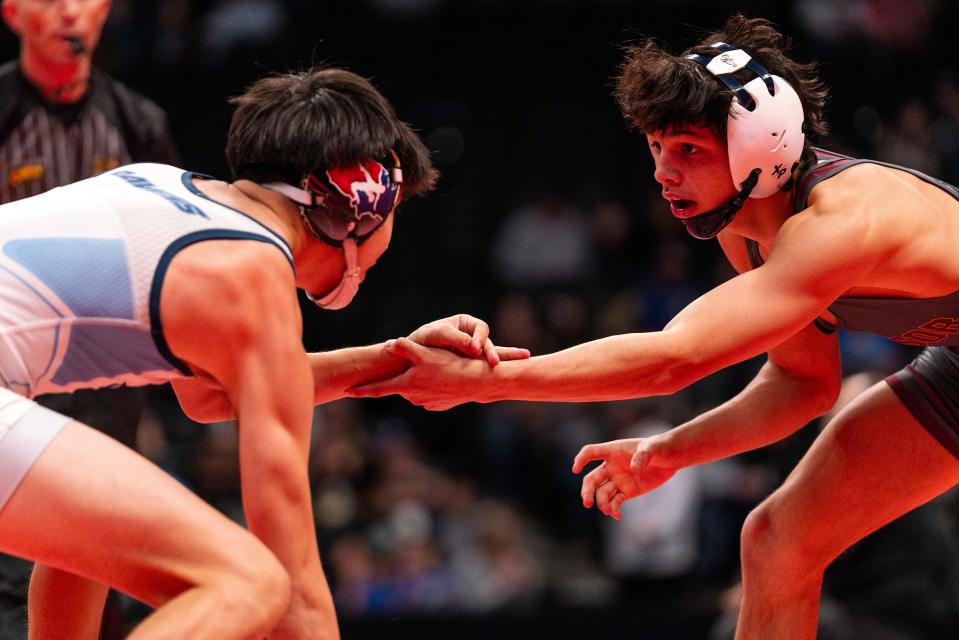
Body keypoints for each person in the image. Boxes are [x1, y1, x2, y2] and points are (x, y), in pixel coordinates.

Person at [350, 15, 959, 639]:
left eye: (688, 150)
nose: (663, 174)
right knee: (776, 540)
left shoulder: (843, 222)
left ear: (763, 143)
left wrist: (491, 380)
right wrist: (670, 452)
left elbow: (677, 359)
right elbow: (802, 383)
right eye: (657, 149)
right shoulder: (744, 227)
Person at [0, 65, 525, 638]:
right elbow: (296, 580)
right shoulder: (250, 273)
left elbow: (206, 398)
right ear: (363, 201)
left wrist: (392, 360)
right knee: (252, 582)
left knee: (97, 515)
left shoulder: (162, 191)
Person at [0, 1, 179, 634]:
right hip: (13, 387)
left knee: (99, 583)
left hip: (109, 394)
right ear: (13, 12)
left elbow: (167, 257)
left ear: (105, 13)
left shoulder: (138, 124)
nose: (69, 13)